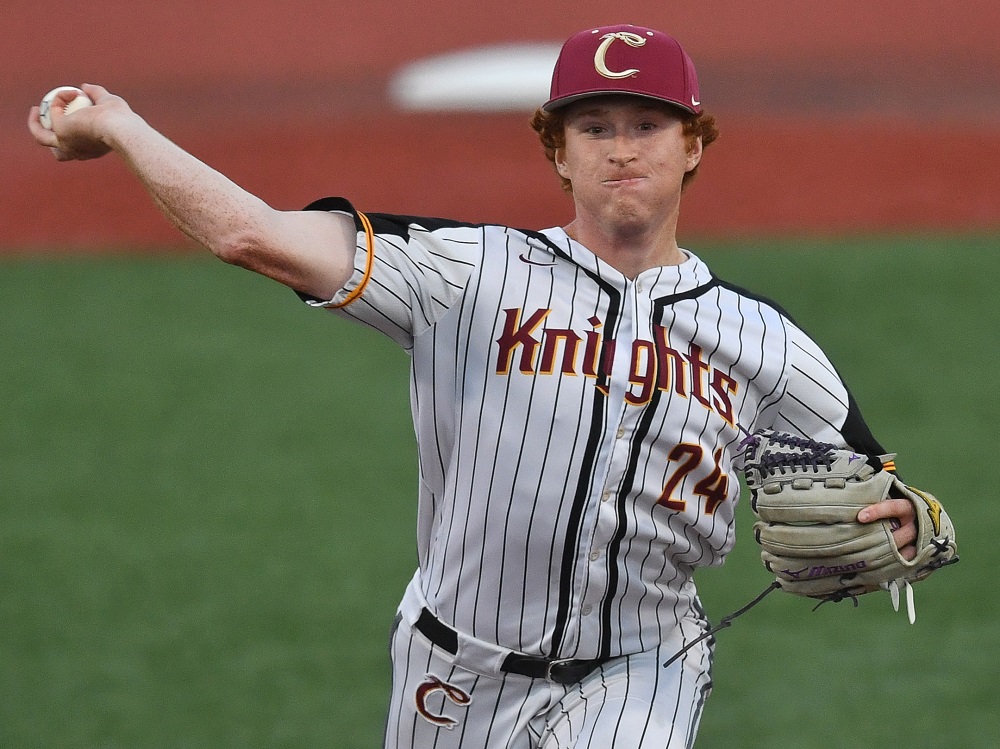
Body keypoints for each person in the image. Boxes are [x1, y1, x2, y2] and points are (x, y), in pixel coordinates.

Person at [29, 24, 921, 749]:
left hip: (645, 669)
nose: (621, 151)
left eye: (647, 126)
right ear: (558, 153)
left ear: (692, 147)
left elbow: (875, 485)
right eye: (594, 128)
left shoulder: (766, 341)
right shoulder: (467, 272)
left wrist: (910, 519)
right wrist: (119, 126)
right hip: (450, 676)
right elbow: (253, 236)